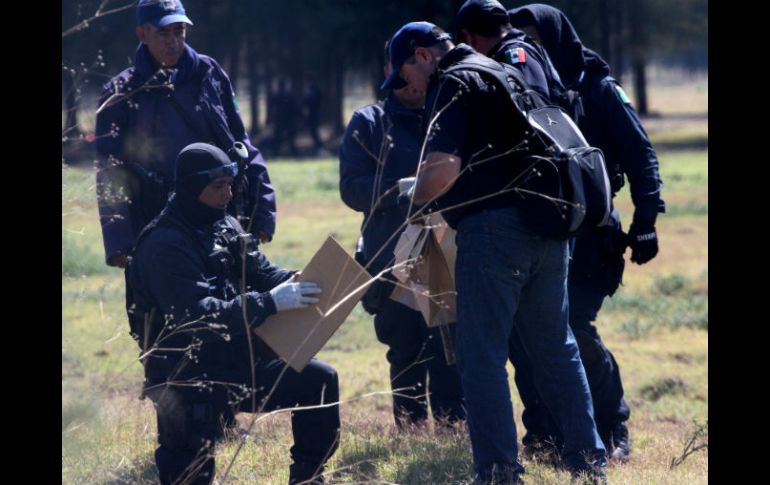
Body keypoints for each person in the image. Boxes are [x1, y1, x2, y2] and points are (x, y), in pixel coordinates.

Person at [383, 21, 607, 484]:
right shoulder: (502, 68)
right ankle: (589, 462)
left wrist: (410, 198)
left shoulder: (453, 81)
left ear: (424, 56)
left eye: (407, 73)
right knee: (555, 347)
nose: (410, 86)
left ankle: (500, 471)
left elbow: (442, 171)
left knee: (480, 354)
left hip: (496, 234)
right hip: (548, 228)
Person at [507, 3, 667, 462]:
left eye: (534, 38)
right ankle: (543, 431)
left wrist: (646, 223)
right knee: (524, 336)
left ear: (555, 37)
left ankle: (612, 424)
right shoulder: (516, 90)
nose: (526, 48)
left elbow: (641, 155)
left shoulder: (597, 88)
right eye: (520, 39)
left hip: (593, 234)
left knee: (573, 324)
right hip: (537, 234)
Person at [126, 142, 340, 485]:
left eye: (230, 184)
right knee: (189, 474)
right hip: (185, 376)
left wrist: (301, 281)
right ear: (193, 188)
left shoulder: (223, 224)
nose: (228, 193)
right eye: (218, 187)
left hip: (236, 360)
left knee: (319, 381)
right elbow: (196, 317)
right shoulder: (165, 244)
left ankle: (308, 479)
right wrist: (270, 302)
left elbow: (262, 272)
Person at [339, 42, 465, 429]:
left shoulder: (448, 117)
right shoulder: (369, 122)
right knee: (405, 349)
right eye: (405, 67)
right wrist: (399, 190)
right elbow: (351, 189)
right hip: (392, 253)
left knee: (449, 349)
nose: (415, 81)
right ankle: (410, 430)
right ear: (391, 71)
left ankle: (452, 430)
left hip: (447, 250)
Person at [95, 0, 276, 270]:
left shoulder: (210, 73)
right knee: (166, 306)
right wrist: (120, 242)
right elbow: (111, 172)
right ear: (142, 34)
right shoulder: (121, 92)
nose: (173, 41)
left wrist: (262, 210)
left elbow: (241, 143)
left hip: (219, 213)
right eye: (163, 33)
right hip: (156, 221)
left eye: (179, 31)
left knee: (231, 303)